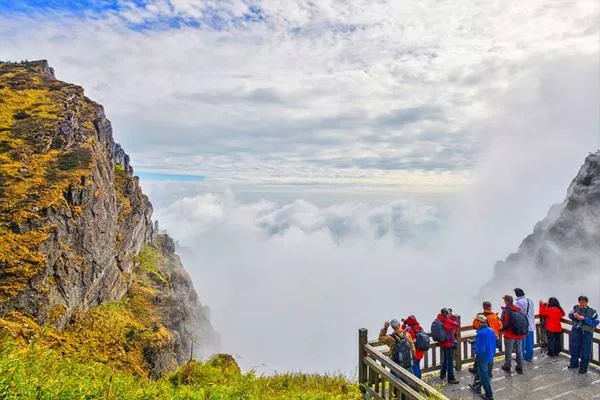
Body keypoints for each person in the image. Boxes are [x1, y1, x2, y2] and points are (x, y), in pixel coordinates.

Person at [470, 301, 502, 376]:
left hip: (483, 337)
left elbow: (475, 326)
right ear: (490, 306)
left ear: (483, 307)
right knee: (491, 355)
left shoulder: (480, 316)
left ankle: (476, 370)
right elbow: (501, 326)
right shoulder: (495, 316)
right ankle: (489, 372)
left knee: (480, 354)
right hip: (494, 338)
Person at [568, 296, 599, 374]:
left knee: (585, 351)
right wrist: (573, 315)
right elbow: (569, 315)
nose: (583, 304)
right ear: (579, 302)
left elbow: (595, 322)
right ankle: (574, 364)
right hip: (576, 331)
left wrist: (584, 319)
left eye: (584, 302)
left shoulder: (593, 311)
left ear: (587, 302)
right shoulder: (575, 308)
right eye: (581, 302)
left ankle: (583, 368)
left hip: (587, 333)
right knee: (574, 348)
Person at [469, 314, 496, 400]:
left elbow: (480, 348)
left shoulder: (480, 333)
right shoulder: (491, 330)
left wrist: (475, 352)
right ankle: (476, 386)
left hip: (483, 356)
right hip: (490, 355)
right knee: (481, 371)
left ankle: (489, 395)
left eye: (476, 321)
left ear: (479, 322)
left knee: (484, 376)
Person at [500, 294, 525, 374]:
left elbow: (504, 324)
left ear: (506, 301)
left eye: (504, 299)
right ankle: (519, 366)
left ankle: (507, 365)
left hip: (509, 335)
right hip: (519, 334)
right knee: (519, 350)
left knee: (508, 351)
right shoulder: (518, 309)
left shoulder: (506, 311)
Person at [436, 308, 460, 384]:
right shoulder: (447, 320)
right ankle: (451, 378)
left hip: (442, 342)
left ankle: (442, 374)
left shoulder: (438, 319)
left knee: (445, 359)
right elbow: (457, 325)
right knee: (450, 361)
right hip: (448, 343)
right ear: (446, 314)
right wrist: (452, 316)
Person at [514, 288, 535, 362]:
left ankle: (522, 357)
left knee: (522, 343)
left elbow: (516, 314)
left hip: (523, 326)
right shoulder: (530, 301)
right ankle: (529, 357)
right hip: (531, 325)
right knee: (530, 343)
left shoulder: (517, 303)